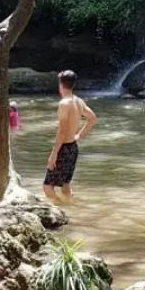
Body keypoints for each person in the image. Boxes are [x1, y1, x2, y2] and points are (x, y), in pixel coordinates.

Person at [44, 70, 97, 204]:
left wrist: (54, 153)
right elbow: (92, 118)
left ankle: (60, 210)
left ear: (61, 84)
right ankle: (72, 207)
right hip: (73, 147)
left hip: (63, 148)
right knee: (65, 185)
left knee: (47, 187)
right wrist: (79, 135)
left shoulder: (64, 104)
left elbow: (61, 132)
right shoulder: (78, 101)